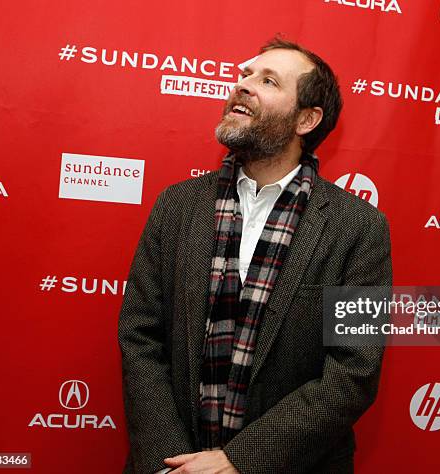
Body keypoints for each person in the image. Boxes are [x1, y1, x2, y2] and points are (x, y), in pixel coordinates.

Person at [118, 37, 392, 474]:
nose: (243, 85)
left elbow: (353, 370)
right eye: (245, 75)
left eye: (267, 80)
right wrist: (170, 461)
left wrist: (238, 462)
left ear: (307, 118)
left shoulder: (359, 228)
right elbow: (140, 336)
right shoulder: (177, 205)